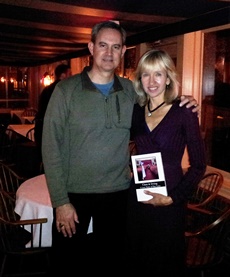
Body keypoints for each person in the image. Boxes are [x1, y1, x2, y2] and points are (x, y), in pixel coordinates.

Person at [41, 21, 200, 275]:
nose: (109, 53)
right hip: (74, 195)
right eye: (103, 45)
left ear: (123, 51)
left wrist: (184, 100)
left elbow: (159, 100)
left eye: (116, 47)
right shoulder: (65, 91)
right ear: (91, 47)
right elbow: (50, 148)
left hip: (118, 195)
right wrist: (61, 202)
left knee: (112, 263)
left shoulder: (130, 92)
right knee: (67, 263)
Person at [124, 49, 206, 276]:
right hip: (137, 197)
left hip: (169, 200)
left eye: (158, 74)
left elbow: (199, 165)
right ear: (139, 78)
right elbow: (118, 140)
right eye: (146, 75)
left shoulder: (184, 111)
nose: (152, 81)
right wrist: (128, 167)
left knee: (164, 262)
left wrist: (172, 199)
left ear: (168, 78)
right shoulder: (136, 111)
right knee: (136, 257)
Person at [34, 63, 71, 157]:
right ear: (63, 76)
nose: (72, 77)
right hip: (51, 130)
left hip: (41, 127)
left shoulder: (47, 89)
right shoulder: (62, 90)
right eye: (70, 74)